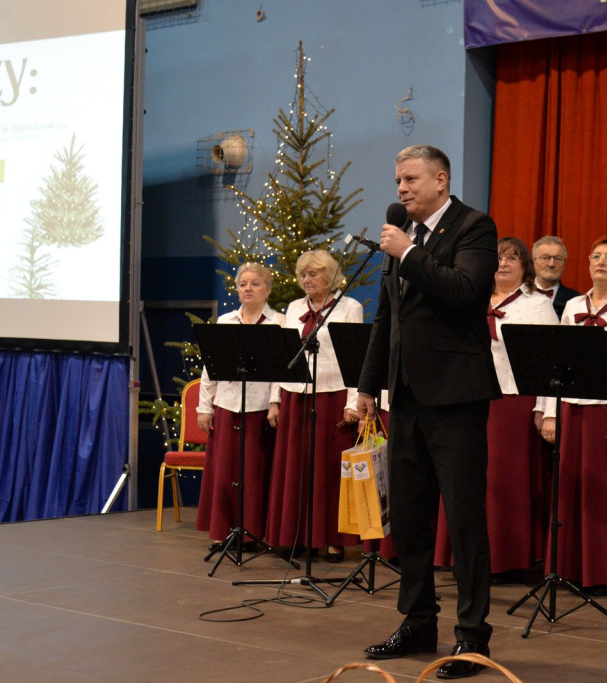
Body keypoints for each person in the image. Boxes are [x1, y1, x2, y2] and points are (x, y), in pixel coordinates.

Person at [357, 145, 501, 679]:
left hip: (457, 398)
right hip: (407, 396)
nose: (401, 190)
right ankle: (418, 621)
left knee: (463, 521)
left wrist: (409, 254)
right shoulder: (403, 238)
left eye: (411, 179)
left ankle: (472, 637)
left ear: (441, 180)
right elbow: (385, 320)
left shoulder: (474, 227)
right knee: (412, 521)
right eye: (397, 181)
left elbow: (466, 293)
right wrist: (367, 386)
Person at [434, 237, 558, 579]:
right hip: (468, 396)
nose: (503, 264)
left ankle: (503, 558)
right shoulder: (471, 297)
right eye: (498, 258)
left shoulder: (538, 305)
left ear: (525, 267)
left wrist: (546, 409)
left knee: (501, 481)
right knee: (463, 476)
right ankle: (460, 555)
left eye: (512, 259)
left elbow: (550, 363)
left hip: (512, 402)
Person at [540, 236, 607, 595]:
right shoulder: (572, 306)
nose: (601, 262)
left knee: (603, 493)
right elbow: (559, 362)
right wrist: (553, 412)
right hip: (573, 407)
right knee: (569, 489)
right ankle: (568, 567)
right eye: (596, 256)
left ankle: (602, 572)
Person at [265, 250, 362, 563]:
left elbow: (356, 359)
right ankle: (296, 537)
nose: (307, 280)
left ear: (331, 276)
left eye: (314, 274)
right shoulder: (294, 308)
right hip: (296, 396)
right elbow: (282, 357)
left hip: (333, 397)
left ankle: (333, 541)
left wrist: (352, 403)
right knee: (296, 468)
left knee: (330, 471)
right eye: (303, 275)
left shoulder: (350, 307)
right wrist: (275, 400)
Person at [195, 262, 283, 545]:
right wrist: (205, 408)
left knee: (254, 473)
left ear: (267, 290)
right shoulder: (225, 322)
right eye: (243, 284)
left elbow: (280, 373)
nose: (248, 288)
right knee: (225, 473)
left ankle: (253, 533)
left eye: (255, 283)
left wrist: (274, 403)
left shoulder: (278, 323)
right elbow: (210, 370)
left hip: (258, 409)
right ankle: (225, 531)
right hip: (227, 405)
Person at [531, 235, 580, 318]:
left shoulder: (576, 300)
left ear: (565, 263)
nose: (551, 264)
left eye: (558, 258)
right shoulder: (517, 295)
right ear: (533, 261)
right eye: (545, 258)